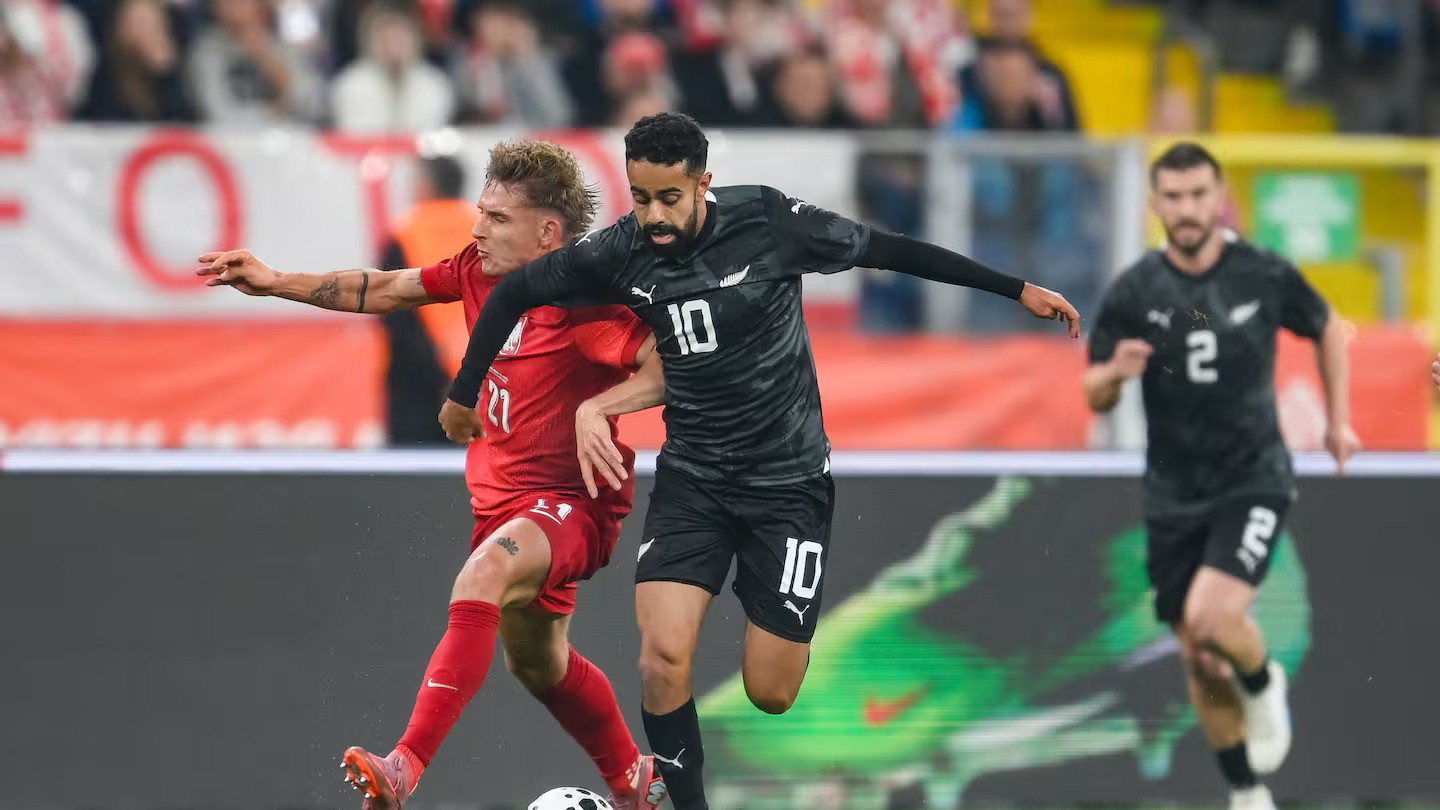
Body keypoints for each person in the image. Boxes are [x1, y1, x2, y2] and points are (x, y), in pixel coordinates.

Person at [436, 112, 1079, 810]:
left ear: (703, 184)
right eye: (641, 198)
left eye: (670, 198)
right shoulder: (619, 251)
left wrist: (1014, 288)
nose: (655, 216)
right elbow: (517, 292)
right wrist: (464, 395)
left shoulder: (770, 222)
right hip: (694, 480)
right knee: (661, 660)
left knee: (771, 691)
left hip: (787, 485)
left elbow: (886, 250)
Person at [194, 140, 669, 810]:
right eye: (482, 212)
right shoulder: (478, 270)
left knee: (481, 578)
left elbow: (667, 362)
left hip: (573, 503)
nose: (478, 229)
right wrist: (277, 282)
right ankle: (631, 780)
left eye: (497, 218)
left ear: (547, 233)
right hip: (503, 504)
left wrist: (602, 406)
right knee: (538, 663)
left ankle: (403, 767)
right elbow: (388, 287)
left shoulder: (587, 302)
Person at [1082, 142, 1360, 810]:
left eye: (1198, 195)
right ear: (1155, 204)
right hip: (1172, 494)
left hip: (1252, 476)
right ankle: (1245, 790)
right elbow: (1094, 393)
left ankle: (1262, 683)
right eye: (1174, 197)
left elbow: (1327, 327)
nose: (1187, 209)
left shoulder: (1261, 272)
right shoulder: (1136, 290)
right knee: (1199, 656)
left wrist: (1339, 421)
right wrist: (1114, 374)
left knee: (1211, 618)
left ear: (1220, 197)